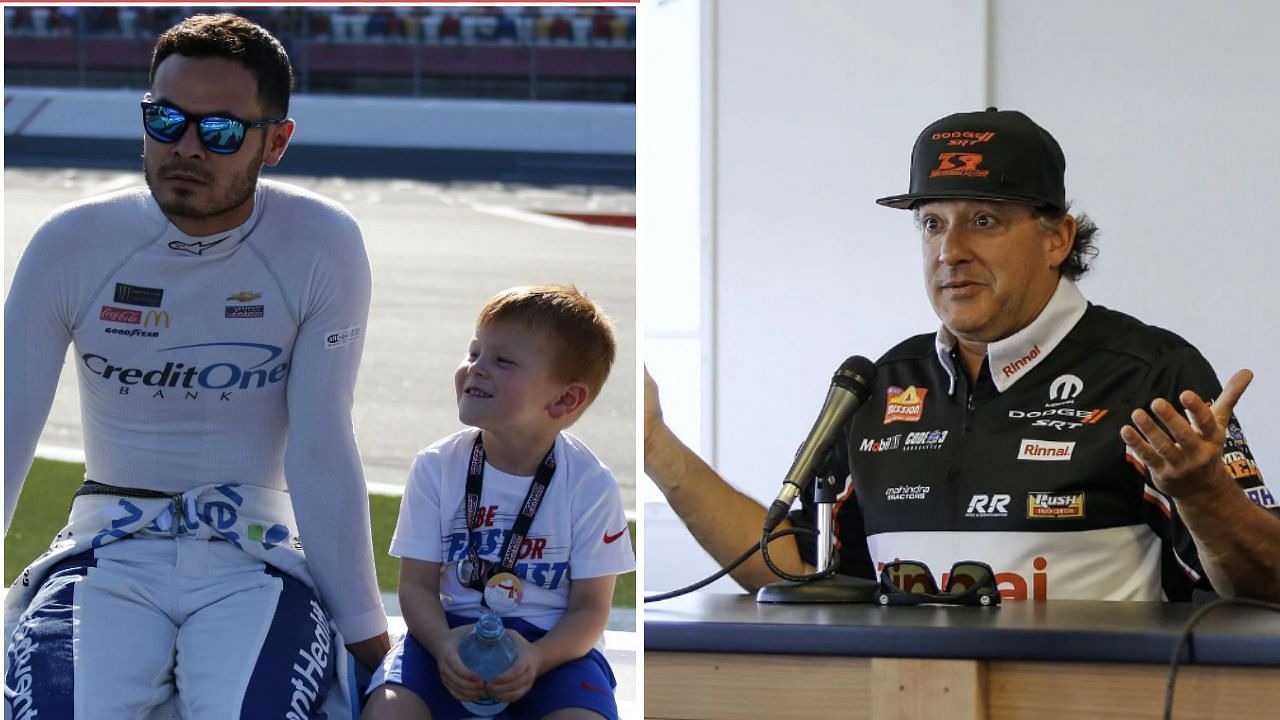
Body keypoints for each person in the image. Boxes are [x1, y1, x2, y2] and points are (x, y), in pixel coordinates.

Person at [644, 108, 1280, 602]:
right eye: (931, 223)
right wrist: (656, 447)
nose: (950, 251)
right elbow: (791, 571)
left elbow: (1266, 589)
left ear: (1059, 237)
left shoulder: (1151, 373)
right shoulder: (880, 384)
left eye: (983, 221)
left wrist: (1204, 496)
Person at [4, 13, 389, 718]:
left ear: (276, 142)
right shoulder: (69, 242)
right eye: (165, 120)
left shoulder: (324, 243)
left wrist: (371, 640)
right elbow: (5, 434)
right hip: (102, 554)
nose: (186, 147)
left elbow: (322, 447)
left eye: (219, 132)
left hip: (257, 561)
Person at [364, 286, 635, 720]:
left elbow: (590, 609)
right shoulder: (437, 466)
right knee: (389, 711)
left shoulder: (590, 483)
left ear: (565, 399)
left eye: (502, 360)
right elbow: (415, 586)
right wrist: (443, 644)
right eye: (474, 352)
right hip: (448, 635)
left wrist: (539, 657)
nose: (476, 369)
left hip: (552, 648)